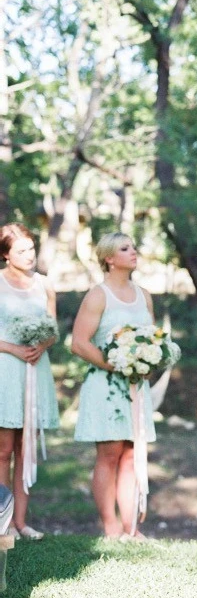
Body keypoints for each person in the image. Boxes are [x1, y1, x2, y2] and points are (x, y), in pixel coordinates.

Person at [71, 232, 156, 539]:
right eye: (125, 248)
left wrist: (147, 364)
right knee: (109, 454)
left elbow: (152, 339)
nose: (133, 251)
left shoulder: (144, 295)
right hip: (106, 384)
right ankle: (110, 526)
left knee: (133, 454)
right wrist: (116, 364)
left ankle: (131, 528)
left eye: (133, 246)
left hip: (136, 387)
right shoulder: (98, 295)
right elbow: (79, 344)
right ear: (109, 258)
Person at [0, 224, 59, 540]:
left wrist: (42, 344)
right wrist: (12, 348)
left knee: (26, 449)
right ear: (6, 254)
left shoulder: (45, 285)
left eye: (31, 249)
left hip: (35, 369)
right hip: (5, 370)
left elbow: (51, 329)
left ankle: (21, 522)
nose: (29, 255)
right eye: (21, 250)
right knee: (3, 450)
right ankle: (3, 521)